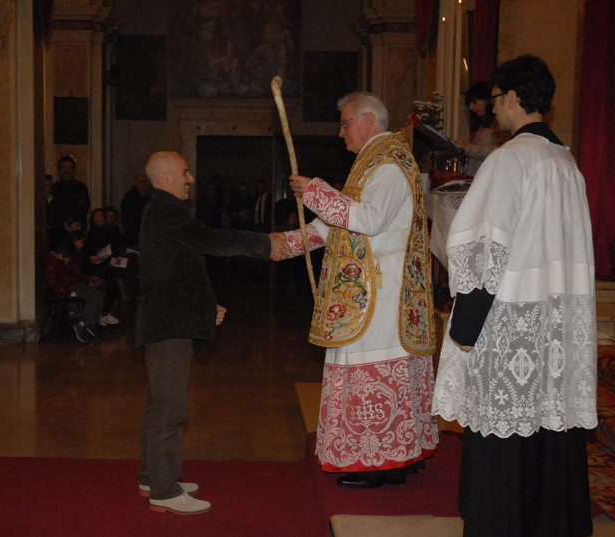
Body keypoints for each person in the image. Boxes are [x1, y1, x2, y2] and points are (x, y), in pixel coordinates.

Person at [432, 55, 596, 537]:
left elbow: (487, 247)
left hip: (511, 323)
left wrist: (465, 329)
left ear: (512, 98)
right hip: (555, 319)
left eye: (497, 98)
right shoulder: (566, 161)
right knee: (549, 429)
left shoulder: (510, 160)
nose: (493, 109)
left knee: (504, 438)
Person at [282, 92, 438, 489]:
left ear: (368, 120)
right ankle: (398, 457)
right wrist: (284, 243)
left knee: (376, 369)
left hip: (380, 293)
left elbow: (367, 220)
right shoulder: (373, 164)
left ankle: (380, 463)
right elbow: (338, 224)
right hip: (376, 289)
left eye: (345, 123)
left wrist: (315, 191)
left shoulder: (388, 165)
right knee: (391, 370)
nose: (341, 132)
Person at [135, 150, 289, 515]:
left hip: (169, 317)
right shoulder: (165, 211)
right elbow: (210, 241)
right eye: (185, 172)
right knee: (170, 408)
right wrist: (265, 243)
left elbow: (179, 270)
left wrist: (205, 307)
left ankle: (152, 477)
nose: (191, 179)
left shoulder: (165, 212)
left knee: (160, 403)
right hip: (168, 323)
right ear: (165, 178)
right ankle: (164, 490)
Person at [44, 232, 106, 344]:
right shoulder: (56, 261)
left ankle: (91, 322)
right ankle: (82, 323)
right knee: (93, 295)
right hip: (67, 286)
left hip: (72, 283)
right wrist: (69, 292)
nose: (82, 246)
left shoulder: (67, 257)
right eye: (80, 243)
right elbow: (57, 282)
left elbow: (74, 274)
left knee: (98, 294)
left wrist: (88, 279)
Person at [455, 81, 510, 176]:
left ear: (487, 101)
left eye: (475, 102)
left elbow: (499, 151)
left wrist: (468, 148)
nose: (471, 107)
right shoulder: (484, 124)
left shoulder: (500, 124)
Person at [51, 156, 90, 231]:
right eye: (64, 167)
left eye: (70, 167)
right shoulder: (54, 188)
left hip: (77, 227)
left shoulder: (81, 187)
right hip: (58, 228)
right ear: (59, 170)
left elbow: (84, 207)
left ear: (74, 170)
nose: (67, 170)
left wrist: (73, 220)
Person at [120, 174, 149, 249]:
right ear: (135, 183)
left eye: (144, 182)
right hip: (133, 233)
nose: (143, 184)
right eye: (140, 181)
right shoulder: (129, 197)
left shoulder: (146, 198)